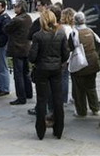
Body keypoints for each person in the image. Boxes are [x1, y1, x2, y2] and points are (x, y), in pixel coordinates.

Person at [28, 10, 69, 140]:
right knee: (58, 99)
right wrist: (59, 61)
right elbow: (66, 54)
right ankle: (59, 129)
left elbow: (32, 57)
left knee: (41, 99)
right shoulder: (61, 34)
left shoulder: (38, 36)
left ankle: (40, 130)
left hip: (41, 69)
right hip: (56, 69)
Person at [69, 12, 100, 118]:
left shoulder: (74, 33)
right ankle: (95, 108)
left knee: (79, 89)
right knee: (91, 86)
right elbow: (97, 43)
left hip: (80, 63)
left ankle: (81, 111)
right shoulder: (90, 31)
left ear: (75, 21)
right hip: (92, 62)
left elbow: (70, 47)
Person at [4, 0, 33, 105]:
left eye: (16, 6)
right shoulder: (28, 17)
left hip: (17, 49)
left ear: (21, 7)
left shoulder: (17, 20)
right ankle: (28, 92)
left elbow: (6, 28)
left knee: (18, 74)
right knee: (26, 72)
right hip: (26, 48)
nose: (14, 7)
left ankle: (21, 97)